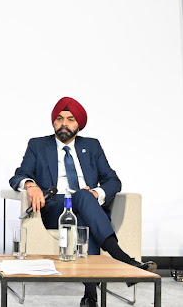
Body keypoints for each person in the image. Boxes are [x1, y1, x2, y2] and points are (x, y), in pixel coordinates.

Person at [9, 96, 156, 307]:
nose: (64, 124)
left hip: (86, 208)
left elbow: (113, 180)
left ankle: (90, 297)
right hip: (54, 209)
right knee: (82, 197)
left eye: (70, 119)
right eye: (59, 119)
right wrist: (30, 184)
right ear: (53, 122)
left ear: (79, 124)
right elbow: (18, 175)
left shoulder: (92, 146)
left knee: (84, 211)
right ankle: (124, 261)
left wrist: (97, 193)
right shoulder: (38, 145)